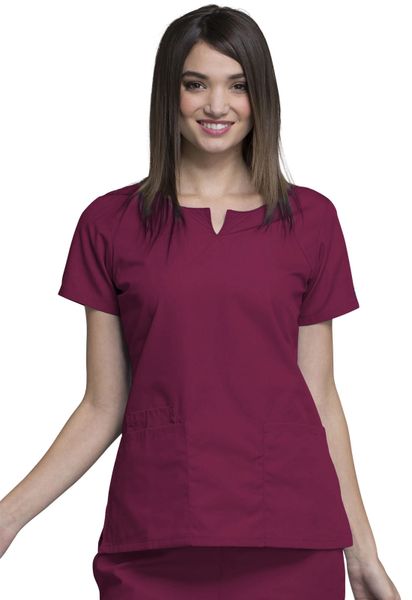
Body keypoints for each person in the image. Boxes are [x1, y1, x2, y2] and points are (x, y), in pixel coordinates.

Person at [0, 4, 401, 600]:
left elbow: (319, 398)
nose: (217, 105)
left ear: (262, 97)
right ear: (170, 93)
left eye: (238, 85)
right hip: (154, 535)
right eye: (196, 84)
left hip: (291, 535)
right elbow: (104, 404)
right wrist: (7, 518)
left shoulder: (311, 221)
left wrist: (364, 558)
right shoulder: (109, 224)